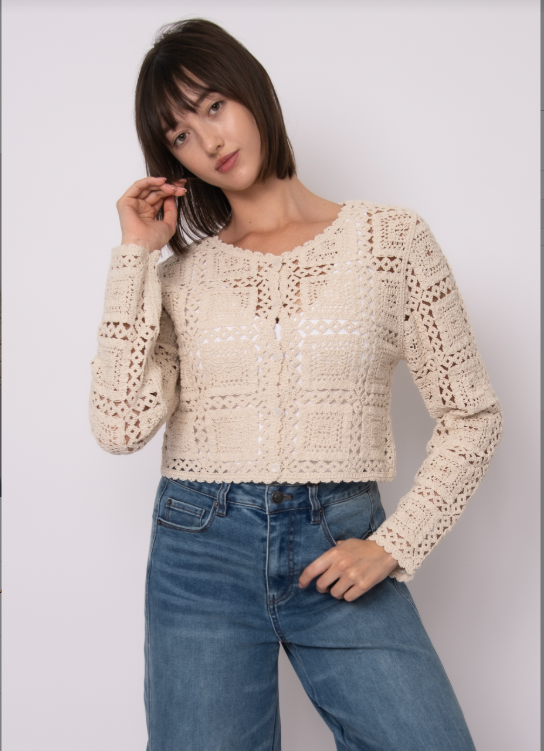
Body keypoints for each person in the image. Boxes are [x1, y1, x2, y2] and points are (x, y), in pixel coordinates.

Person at [89, 17, 502, 751]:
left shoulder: (392, 242)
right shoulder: (179, 279)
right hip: (200, 555)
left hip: (339, 539)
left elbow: (472, 414)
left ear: (252, 92)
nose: (208, 140)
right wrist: (135, 256)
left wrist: (394, 544)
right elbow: (118, 425)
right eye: (180, 134)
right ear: (171, 160)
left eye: (213, 105)